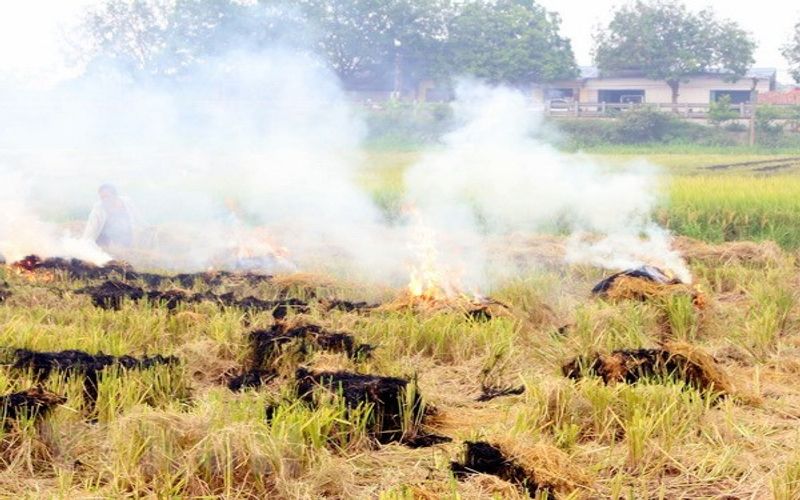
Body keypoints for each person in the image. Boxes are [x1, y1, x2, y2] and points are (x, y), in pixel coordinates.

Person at [83, 184, 135, 249]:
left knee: (125, 249)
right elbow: (90, 228)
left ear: (115, 195)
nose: (105, 199)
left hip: (124, 235)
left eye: (107, 196)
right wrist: (84, 244)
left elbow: (136, 216)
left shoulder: (126, 202)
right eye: (102, 197)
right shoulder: (98, 209)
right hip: (103, 236)